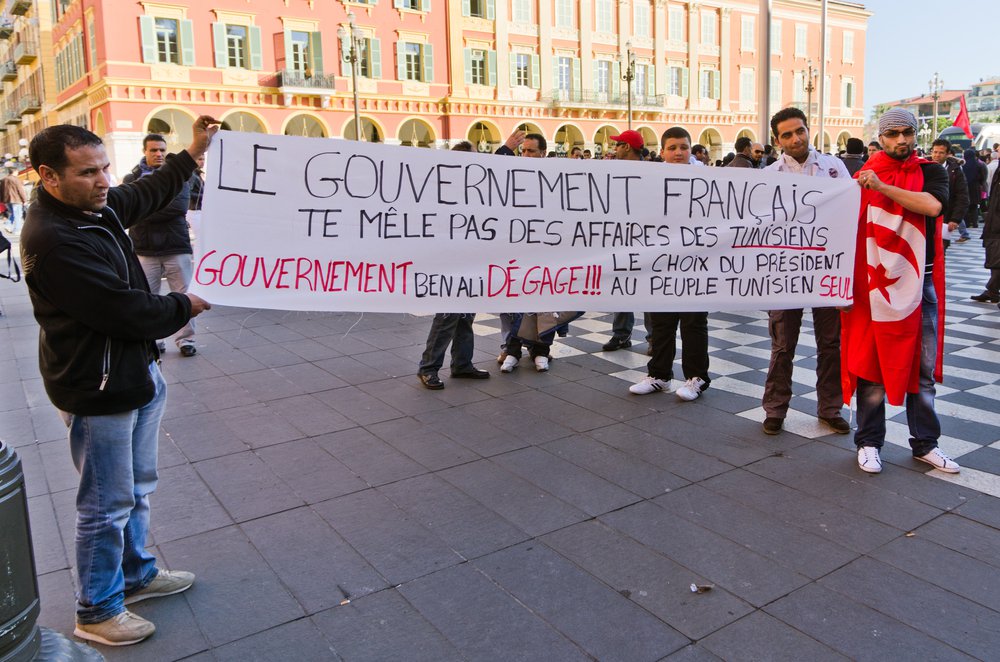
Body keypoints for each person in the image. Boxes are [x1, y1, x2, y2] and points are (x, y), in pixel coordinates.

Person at [20, 116, 217, 646]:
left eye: (105, 167)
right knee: (106, 504)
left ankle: (135, 575)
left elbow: (144, 192)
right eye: (88, 172)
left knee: (136, 489)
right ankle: (98, 609)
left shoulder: (93, 208)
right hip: (98, 386)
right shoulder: (55, 238)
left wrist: (192, 151)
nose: (104, 180)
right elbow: (122, 311)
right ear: (48, 176)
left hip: (134, 372)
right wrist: (185, 304)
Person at [844, 107, 959, 474]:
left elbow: (932, 206)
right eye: (892, 133)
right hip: (873, 286)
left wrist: (881, 187)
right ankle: (869, 442)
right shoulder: (859, 175)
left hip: (919, 285)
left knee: (921, 370)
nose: (901, 140)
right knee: (872, 367)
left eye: (906, 132)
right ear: (881, 137)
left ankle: (925, 444)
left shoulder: (930, 171)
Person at [760, 108, 851, 436]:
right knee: (782, 344)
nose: (796, 138)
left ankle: (831, 407)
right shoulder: (769, 175)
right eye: (787, 134)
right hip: (785, 272)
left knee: (830, 343)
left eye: (800, 131)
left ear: (808, 129)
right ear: (777, 140)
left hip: (827, 268)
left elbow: (848, 213)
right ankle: (775, 409)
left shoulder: (834, 167)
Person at [629, 126, 710, 402]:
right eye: (672, 148)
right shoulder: (651, 178)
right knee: (661, 321)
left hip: (695, 263)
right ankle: (659, 375)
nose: (678, 152)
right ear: (662, 151)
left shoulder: (707, 179)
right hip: (661, 261)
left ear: (692, 150)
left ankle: (696, 378)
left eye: (684, 147)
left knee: (693, 322)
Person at [122, 135, 199, 357]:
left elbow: (178, 207)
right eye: (154, 150)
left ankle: (186, 340)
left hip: (176, 246)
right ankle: (155, 339)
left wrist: (144, 209)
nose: (159, 154)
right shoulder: (132, 178)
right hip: (144, 249)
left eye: (162, 150)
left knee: (184, 295)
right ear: (145, 151)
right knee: (147, 298)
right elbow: (129, 210)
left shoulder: (180, 176)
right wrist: (145, 210)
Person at [495, 130, 556, 372]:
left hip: (543, 248)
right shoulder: (512, 174)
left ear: (542, 153)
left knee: (543, 301)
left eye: (531, 151)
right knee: (512, 299)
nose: (526, 155)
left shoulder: (554, 176)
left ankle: (541, 349)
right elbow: (491, 173)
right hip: (514, 248)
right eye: (523, 151)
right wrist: (506, 149)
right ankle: (511, 348)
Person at [600, 130, 649, 352]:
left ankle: (654, 338)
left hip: (647, 241)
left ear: (627, 147)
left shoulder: (651, 172)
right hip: (620, 239)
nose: (615, 148)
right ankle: (621, 334)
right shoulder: (614, 171)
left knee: (649, 289)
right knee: (621, 287)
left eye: (618, 144)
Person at [928, 139, 969, 255]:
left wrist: (955, 219)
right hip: (923, 217)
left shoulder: (955, 171)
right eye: (935, 152)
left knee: (940, 253)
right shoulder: (923, 167)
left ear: (947, 154)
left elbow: (962, 196)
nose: (937, 155)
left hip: (945, 219)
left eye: (941, 152)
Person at [962, 147, 988, 230]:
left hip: (965, 188)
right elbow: (983, 178)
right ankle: (974, 223)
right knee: (974, 206)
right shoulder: (979, 165)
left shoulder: (963, 165)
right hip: (975, 188)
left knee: (966, 206)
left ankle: (967, 223)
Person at [1, 168, 28, 234]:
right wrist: (25, 200)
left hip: (7, 199)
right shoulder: (16, 179)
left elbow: (1, 190)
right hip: (16, 199)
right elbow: (20, 190)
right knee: (18, 214)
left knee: (13, 213)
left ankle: (8, 224)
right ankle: (17, 229)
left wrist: (2, 199)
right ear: (15, 172)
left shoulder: (4, 179)